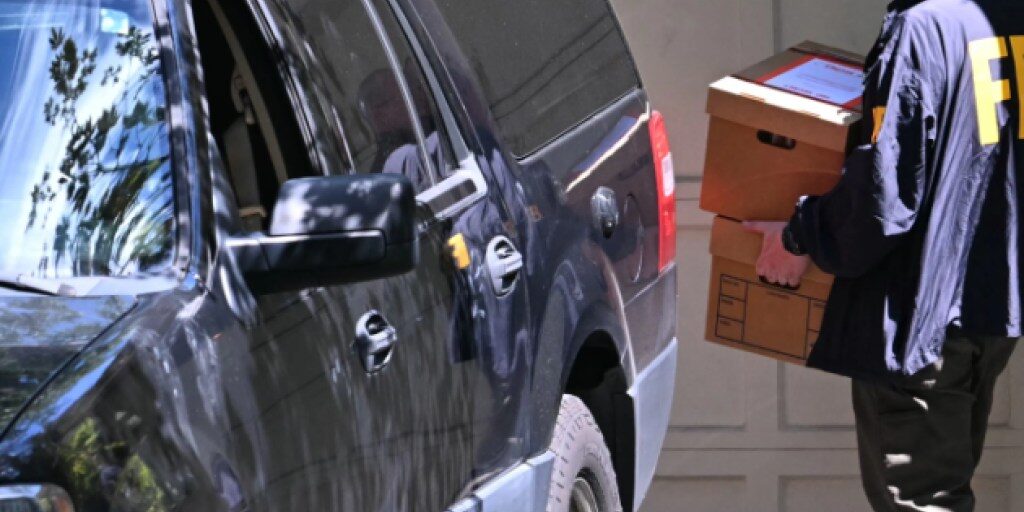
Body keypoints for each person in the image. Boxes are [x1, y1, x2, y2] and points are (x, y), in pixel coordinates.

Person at [744, 0, 1024, 510]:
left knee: (921, 500)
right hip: (992, 308)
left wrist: (801, 236)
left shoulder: (921, 27)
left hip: (923, 316)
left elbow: (887, 193)